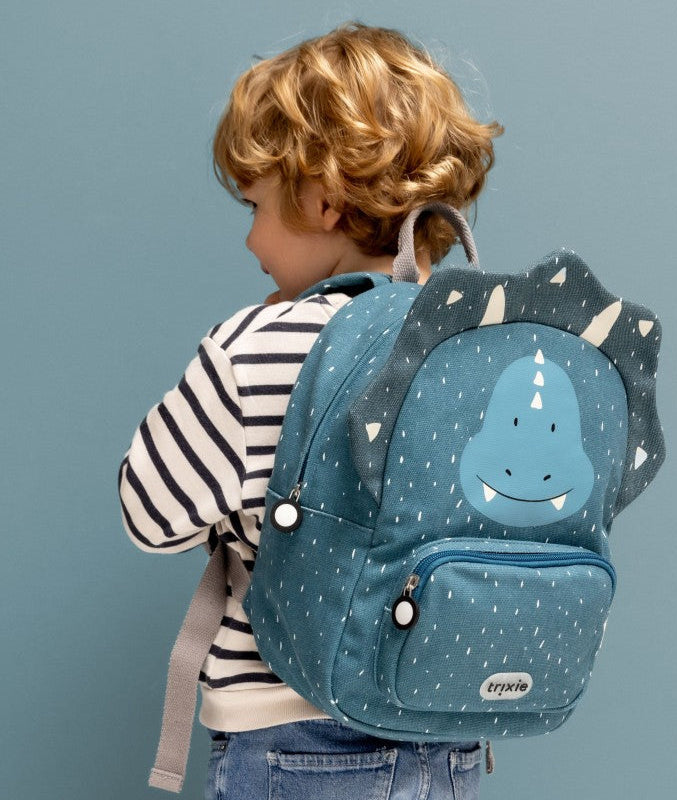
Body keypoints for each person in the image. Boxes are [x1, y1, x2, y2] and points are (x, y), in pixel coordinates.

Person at [118, 22, 502, 800]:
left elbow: (148, 515)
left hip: (292, 739)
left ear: (322, 200)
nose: (251, 239)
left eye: (256, 205)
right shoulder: (486, 344)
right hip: (445, 727)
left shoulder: (256, 346)